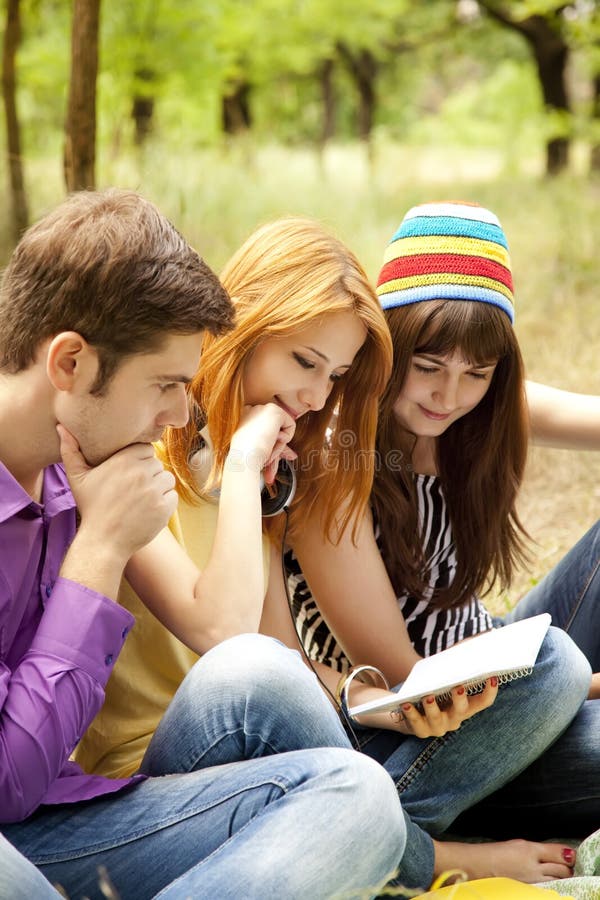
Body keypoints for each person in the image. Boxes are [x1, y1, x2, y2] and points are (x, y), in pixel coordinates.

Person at [76, 215, 591, 894]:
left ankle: (376, 826)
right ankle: (420, 853)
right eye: (304, 363)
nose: (316, 396)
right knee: (254, 676)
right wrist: (240, 472)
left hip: (283, 747)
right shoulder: (141, 464)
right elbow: (230, 644)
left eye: (336, 374)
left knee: (557, 662)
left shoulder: (268, 470)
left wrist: (372, 703)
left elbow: (287, 656)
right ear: (243, 331)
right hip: (162, 765)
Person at [0, 190, 406, 900]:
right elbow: (8, 782)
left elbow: (236, 643)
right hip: (16, 827)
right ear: (68, 363)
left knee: (361, 800)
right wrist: (98, 551)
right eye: (164, 384)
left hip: (70, 813)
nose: (178, 414)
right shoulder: (107, 481)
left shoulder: (90, 464)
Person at [285, 200, 600, 879]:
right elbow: (407, 680)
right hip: (413, 732)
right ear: (387, 346)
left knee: (558, 661)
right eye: (428, 366)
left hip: (494, 667)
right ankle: (398, 836)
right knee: (560, 664)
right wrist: (575, 686)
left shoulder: (478, 407)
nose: (448, 396)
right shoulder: (334, 456)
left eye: (476, 374)